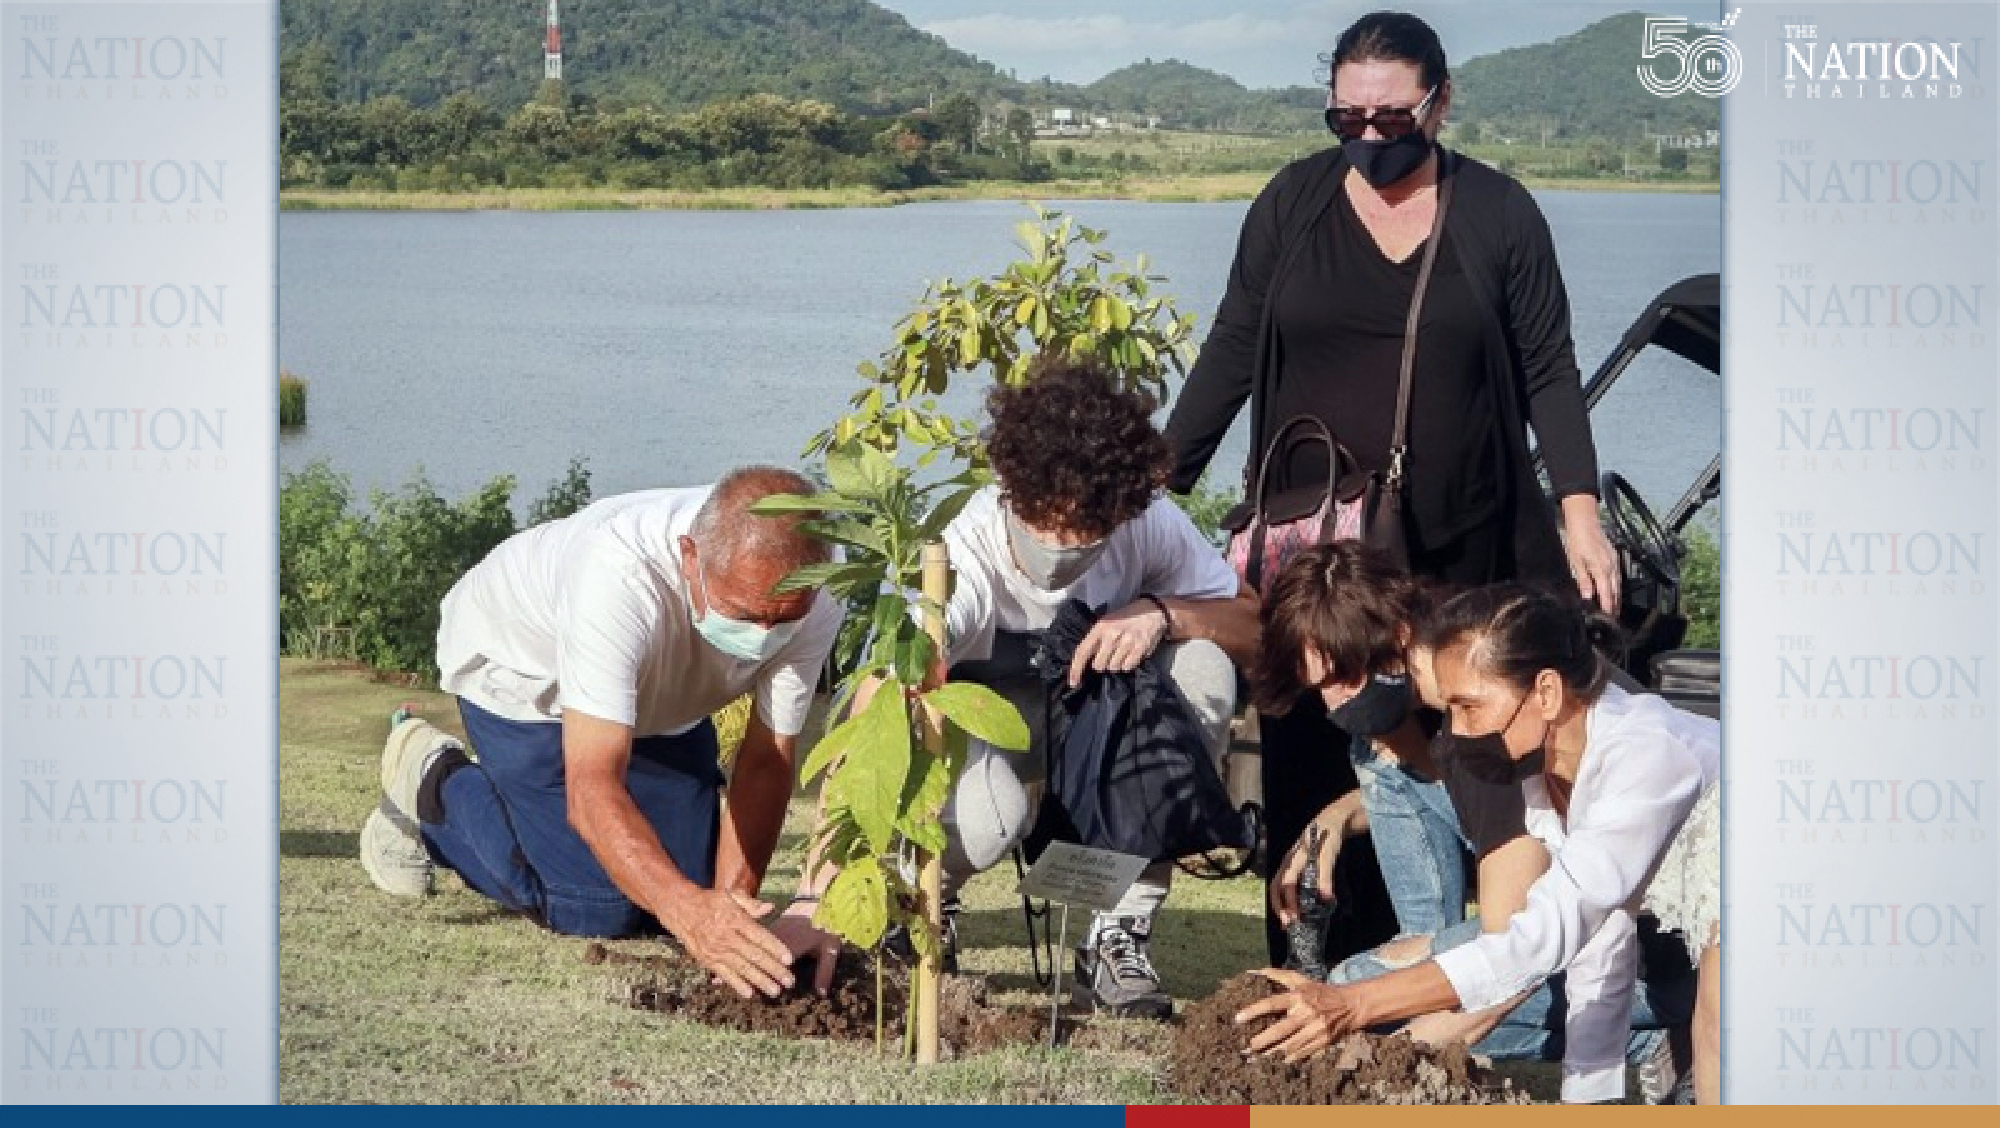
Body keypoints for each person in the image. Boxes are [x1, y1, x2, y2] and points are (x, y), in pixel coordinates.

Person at [1161, 9, 1620, 968]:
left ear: (1440, 103)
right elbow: (1232, 351)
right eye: (1347, 121)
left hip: (1460, 556)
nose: (1369, 138)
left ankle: (1451, 991)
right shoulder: (1292, 205)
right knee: (1312, 760)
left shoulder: (1499, 214)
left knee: (1459, 771)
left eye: (1392, 119)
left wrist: (1580, 509)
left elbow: (1549, 369)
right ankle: (1311, 989)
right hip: (1314, 560)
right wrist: (1153, 492)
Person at [800, 357, 1261, 1018]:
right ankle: (923, 905)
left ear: (1121, 504)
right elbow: (886, 684)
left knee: (1205, 670)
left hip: (1104, 733)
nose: (1061, 543)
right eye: (1045, 519)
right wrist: (820, 885)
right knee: (991, 821)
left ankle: (1116, 932)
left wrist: (1162, 614)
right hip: (990, 736)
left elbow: (1252, 623)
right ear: (1011, 483)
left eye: (1086, 531)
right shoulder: (967, 545)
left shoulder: (1148, 522)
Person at [358, 466, 846, 1000]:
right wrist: (690, 916)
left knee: (681, 891)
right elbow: (591, 788)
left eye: (783, 621)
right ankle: (429, 774)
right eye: (747, 615)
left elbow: (767, 758)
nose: (763, 638)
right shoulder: (616, 573)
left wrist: (727, 915)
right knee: (596, 906)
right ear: (690, 558)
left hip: (660, 701)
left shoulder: (817, 586)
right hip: (523, 680)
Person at [1235, 584, 1722, 1105]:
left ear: (1547, 693)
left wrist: (1352, 1004)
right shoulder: (1545, 772)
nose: (1459, 733)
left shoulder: (1645, 755)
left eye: (1470, 707)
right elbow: (1598, 946)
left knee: (1721, 1021)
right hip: (1685, 935)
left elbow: (1538, 938)